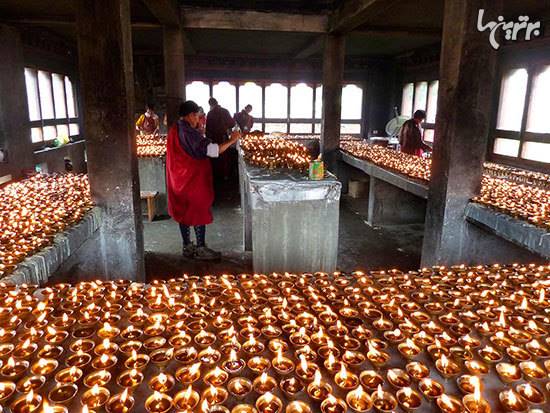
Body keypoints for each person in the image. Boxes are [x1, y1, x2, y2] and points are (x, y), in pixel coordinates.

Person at [166, 100, 240, 260]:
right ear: (191, 115)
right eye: (197, 117)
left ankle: (187, 246)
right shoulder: (188, 133)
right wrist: (232, 141)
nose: (199, 120)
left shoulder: (175, 128)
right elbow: (211, 150)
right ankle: (200, 248)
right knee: (198, 208)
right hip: (192, 179)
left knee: (183, 210)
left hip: (178, 177)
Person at [205, 98, 237, 180]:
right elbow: (232, 123)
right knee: (225, 156)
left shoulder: (210, 113)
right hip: (223, 137)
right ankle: (225, 175)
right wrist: (226, 127)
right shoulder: (225, 111)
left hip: (213, 138)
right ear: (217, 102)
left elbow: (207, 129)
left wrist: (208, 139)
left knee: (215, 156)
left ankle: (216, 176)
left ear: (210, 105)